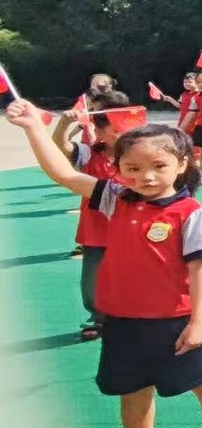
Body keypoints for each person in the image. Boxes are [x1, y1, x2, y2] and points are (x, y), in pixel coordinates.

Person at [5, 103, 202, 428]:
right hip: (122, 319)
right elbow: (63, 173)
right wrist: (32, 127)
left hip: (174, 319)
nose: (145, 176)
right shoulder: (115, 198)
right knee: (132, 391)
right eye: (132, 168)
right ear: (117, 169)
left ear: (182, 164)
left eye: (157, 166)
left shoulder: (190, 212)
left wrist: (197, 322)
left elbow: (200, 270)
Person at [53, 90, 132, 338]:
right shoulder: (90, 152)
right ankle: (99, 319)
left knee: (134, 271)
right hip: (96, 227)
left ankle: (134, 315)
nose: (97, 130)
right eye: (99, 127)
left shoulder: (138, 150)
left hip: (132, 224)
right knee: (94, 278)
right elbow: (61, 147)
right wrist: (64, 124)